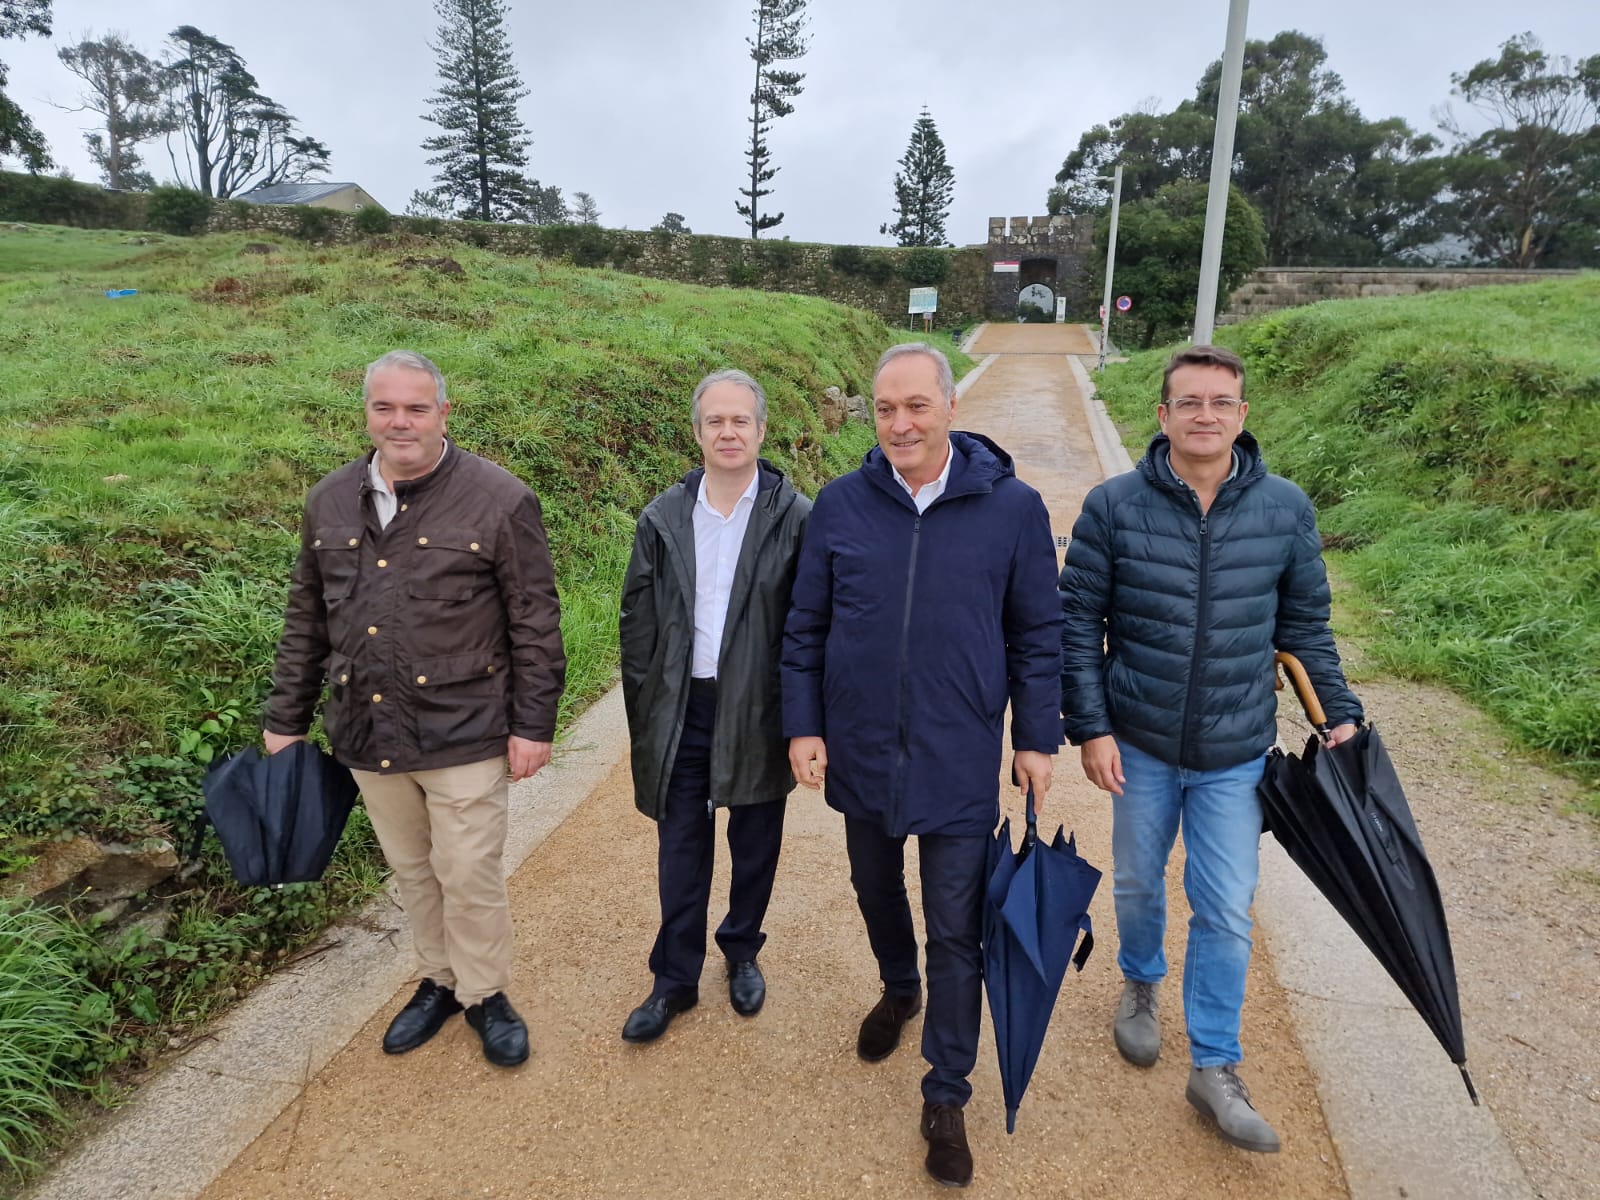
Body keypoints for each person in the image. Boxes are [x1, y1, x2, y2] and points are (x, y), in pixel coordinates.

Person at [1059, 343, 1362, 1153]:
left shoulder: (1285, 509)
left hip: (1235, 749)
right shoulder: (1114, 506)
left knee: (1226, 906)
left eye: (1219, 403)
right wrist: (1088, 727)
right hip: (1142, 739)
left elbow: (1305, 629)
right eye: (1188, 402)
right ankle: (1139, 983)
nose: (1204, 415)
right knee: (1135, 880)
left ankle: (1216, 1066)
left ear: (1241, 416)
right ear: (1162, 417)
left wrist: (1338, 712)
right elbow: (1075, 623)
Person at [782, 343, 1061, 1188]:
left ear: (948, 407)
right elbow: (805, 629)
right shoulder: (839, 505)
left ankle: (946, 1093)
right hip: (862, 751)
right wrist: (804, 726)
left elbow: (1037, 637)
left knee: (957, 929)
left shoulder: (1012, 509)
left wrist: (1036, 738)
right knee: (874, 890)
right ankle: (896, 987)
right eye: (885, 410)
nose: (900, 424)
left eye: (916, 406)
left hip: (957, 755)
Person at [262, 349, 565, 1069]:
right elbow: (307, 616)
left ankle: (486, 994)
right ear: (366, 412)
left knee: (467, 871)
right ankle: (438, 980)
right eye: (385, 407)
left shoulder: (500, 498)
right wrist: (285, 718)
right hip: (367, 730)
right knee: (413, 869)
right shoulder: (327, 501)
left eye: (416, 407)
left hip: (467, 727)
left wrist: (533, 724)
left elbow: (534, 618)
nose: (400, 422)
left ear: (443, 414)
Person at [617, 369, 810, 1043]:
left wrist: (804, 718)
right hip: (684, 708)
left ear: (761, 430)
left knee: (756, 844)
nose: (728, 432)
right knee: (681, 848)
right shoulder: (664, 517)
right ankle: (674, 978)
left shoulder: (795, 516)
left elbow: (809, 623)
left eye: (740, 421)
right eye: (714, 421)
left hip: (760, 707)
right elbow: (636, 625)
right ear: (696, 432)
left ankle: (742, 950)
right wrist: (646, 714)